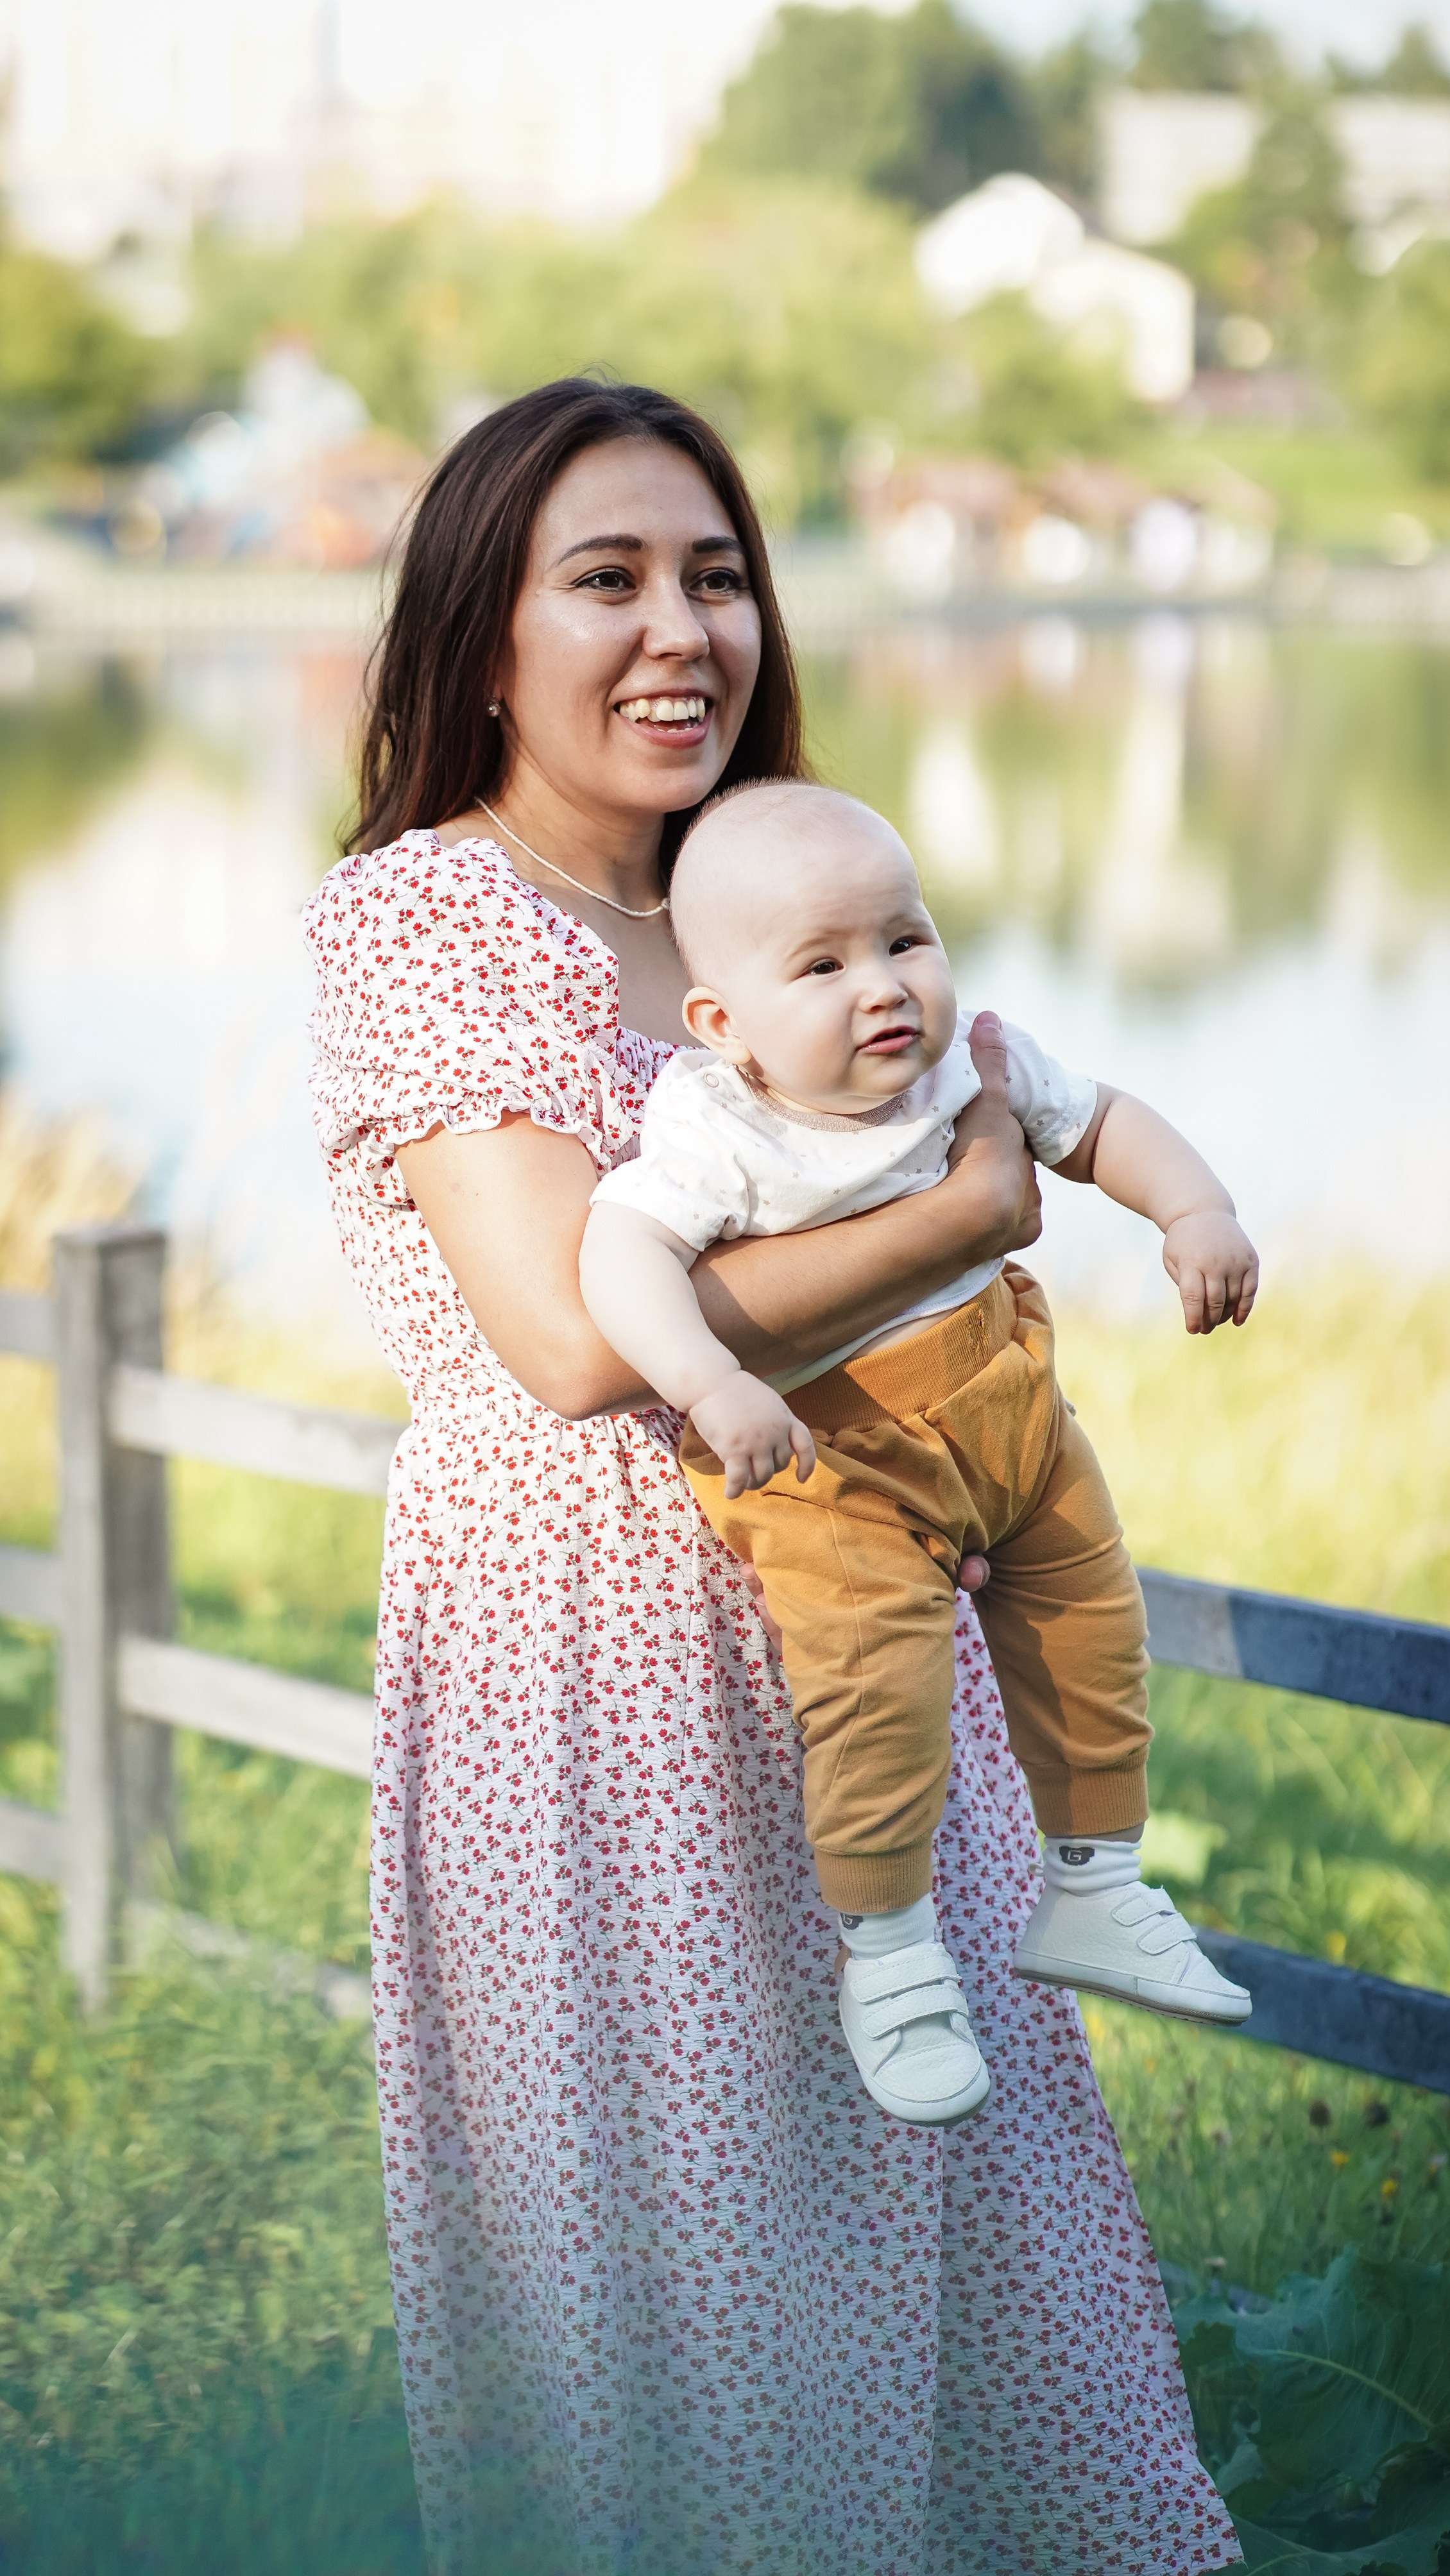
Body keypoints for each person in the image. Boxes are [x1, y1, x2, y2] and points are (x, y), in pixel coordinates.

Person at [303, 377, 1243, 2574]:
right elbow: (567, 1341)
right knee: (704, 2254)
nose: (681, 631)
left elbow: (1021, 1110)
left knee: (982, 2202)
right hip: (600, 1675)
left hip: (869, 1612)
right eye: (607, 579)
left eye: (716, 576)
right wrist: (965, 1214)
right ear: (485, 634)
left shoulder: (786, 893)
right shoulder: (433, 916)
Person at [580, 778, 1256, 2130]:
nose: (883, 986)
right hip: (838, 1470)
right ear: (722, 1025)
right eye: (821, 966)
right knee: (876, 1697)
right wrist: (710, 1382)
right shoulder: (720, 1128)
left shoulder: (967, 1064)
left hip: (1009, 1414)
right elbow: (620, 1254)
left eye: (904, 939)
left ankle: (1097, 1880)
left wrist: (1193, 1210)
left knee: (1092, 1625)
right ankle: (888, 1958)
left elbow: (1101, 1123)